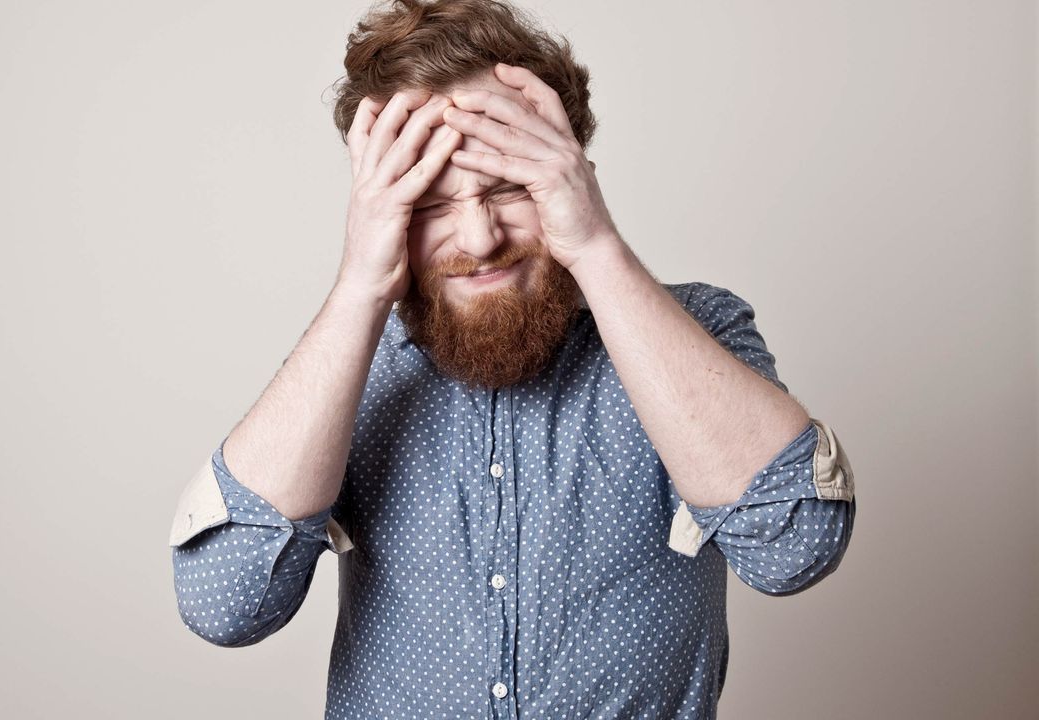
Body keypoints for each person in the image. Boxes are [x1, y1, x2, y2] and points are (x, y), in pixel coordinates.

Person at [168, 0, 857, 717]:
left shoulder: (700, 329)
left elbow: (793, 546)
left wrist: (595, 245)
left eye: (509, 187)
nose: (479, 234)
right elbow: (226, 604)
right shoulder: (348, 368)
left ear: (575, 174)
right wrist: (359, 285)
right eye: (430, 202)